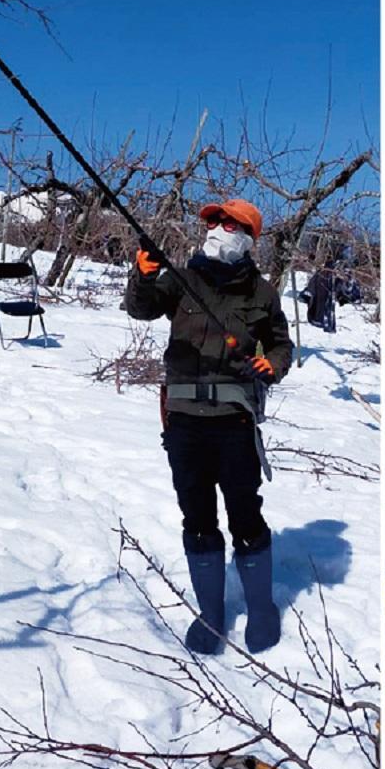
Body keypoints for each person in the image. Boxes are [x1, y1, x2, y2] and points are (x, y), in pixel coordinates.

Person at [126, 198, 293, 655]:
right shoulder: (182, 278)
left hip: (234, 421)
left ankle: (261, 608)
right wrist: (142, 273)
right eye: (214, 220)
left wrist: (271, 365)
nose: (217, 227)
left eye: (229, 222)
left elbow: (282, 345)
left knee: (245, 513)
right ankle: (211, 612)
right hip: (183, 422)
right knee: (197, 515)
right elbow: (140, 308)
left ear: (248, 237)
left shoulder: (261, 293)